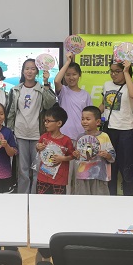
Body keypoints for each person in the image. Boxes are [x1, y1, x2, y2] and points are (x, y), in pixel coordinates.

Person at [6, 58, 58, 194]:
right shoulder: (15, 90)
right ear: (23, 71)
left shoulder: (41, 89)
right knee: (22, 170)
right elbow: (10, 113)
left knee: (37, 169)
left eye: (33, 69)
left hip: (37, 134)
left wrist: (46, 83)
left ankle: (35, 196)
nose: (30, 71)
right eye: (27, 68)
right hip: (20, 134)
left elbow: (50, 104)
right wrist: (9, 132)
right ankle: (23, 196)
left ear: (37, 72)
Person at [99, 60, 133, 196]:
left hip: (126, 131)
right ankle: (111, 200)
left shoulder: (132, 85)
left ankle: (128, 200)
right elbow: (104, 104)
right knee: (110, 168)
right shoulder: (107, 85)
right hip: (108, 131)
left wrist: (126, 72)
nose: (113, 74)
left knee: (127, 169)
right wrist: (94, 115)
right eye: (111, 71)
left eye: (117, 71)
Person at [54, 52, 92, 193]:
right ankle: (66, 199)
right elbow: (56, 81)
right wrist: (67, 62)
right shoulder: (63, 91)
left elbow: (89, 117)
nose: (71, 77)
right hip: (65, 138)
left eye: (74, 74)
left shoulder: (85, 95)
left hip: (81, 139)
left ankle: (78, 199)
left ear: (79, 75)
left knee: (80, 172)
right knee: (66, 172)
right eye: (68, 75)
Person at [73, 106, 115, 195]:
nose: (84, 121)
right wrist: (76, 155)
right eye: (83, 119)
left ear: (98, 122)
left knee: (100, 200)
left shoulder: (104, 136)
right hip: (83, 175)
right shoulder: (80, 137)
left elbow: (112, 156)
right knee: (83, 200)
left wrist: (107, 155)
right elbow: (77, 157)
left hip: (99, 175)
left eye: (88, 119)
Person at [35, 106, 74, 194]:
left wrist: (63, 158)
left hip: (59, 179)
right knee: (41, 200)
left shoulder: (66, 140)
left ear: (59, 123)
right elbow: (38, 150)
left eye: (48, 121)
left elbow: (73, 155)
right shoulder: (44, 137)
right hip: (43, 177)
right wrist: (38, 147)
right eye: (45, 121)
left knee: (58, 202)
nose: (45, 123)